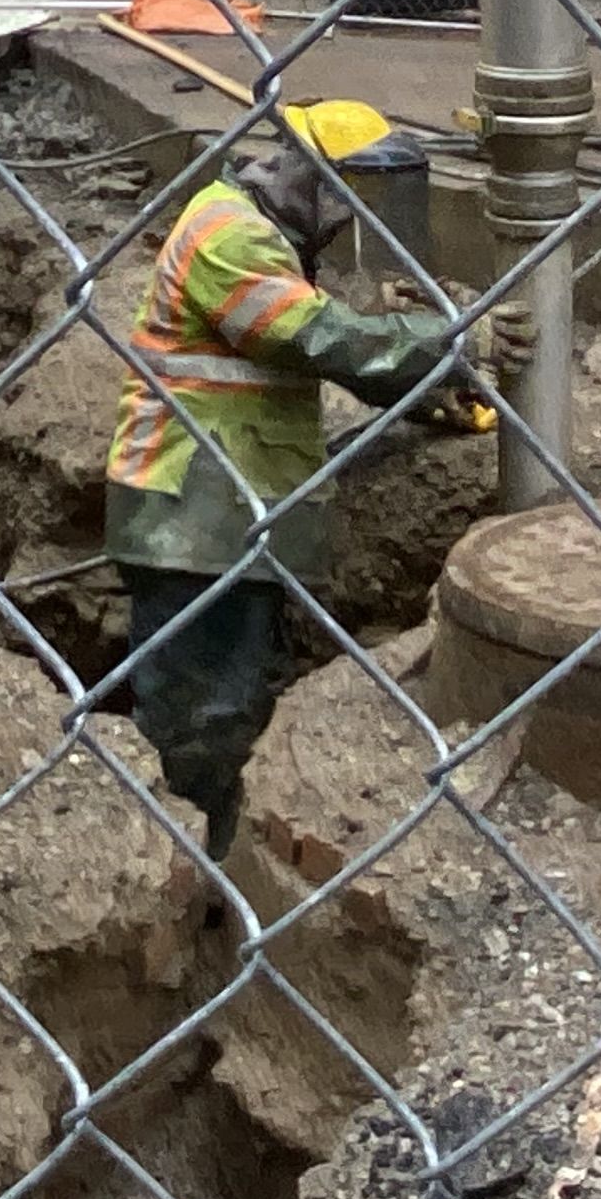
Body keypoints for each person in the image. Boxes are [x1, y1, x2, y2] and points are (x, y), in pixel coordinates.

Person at [104, 102, 450, 857]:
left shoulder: (262, 231)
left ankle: (205, 855)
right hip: (190, 515)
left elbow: (315, 338)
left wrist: (423, 386)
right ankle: (198, 865)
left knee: (226, 693)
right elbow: (316, 337)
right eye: (348, 194)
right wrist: (453, 342)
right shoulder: (229, 235)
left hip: (221, 514)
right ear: (311, 179)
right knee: (204, 714)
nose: (353, 216)